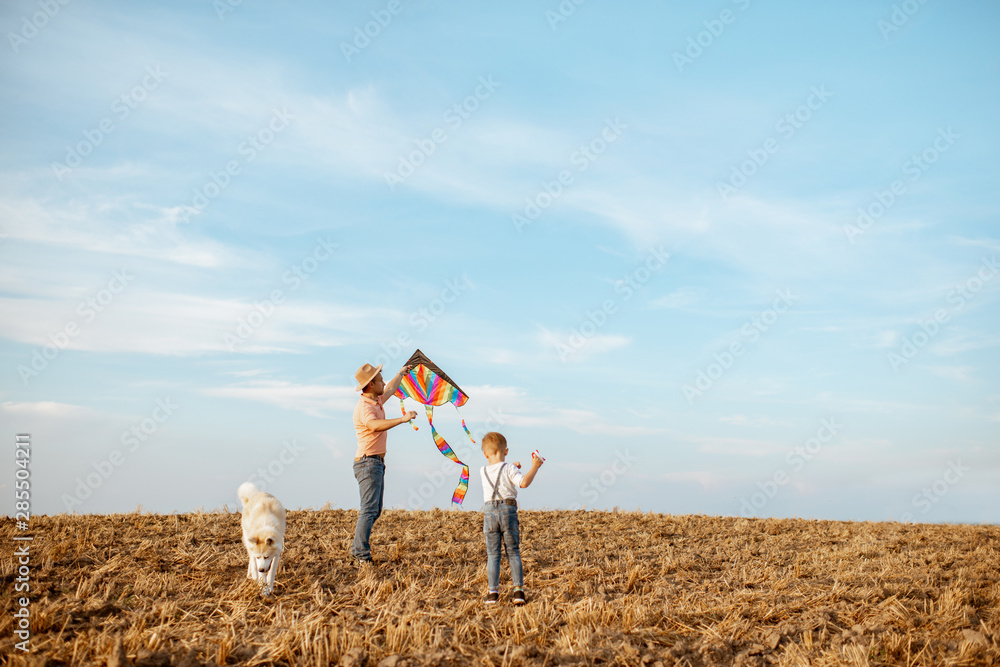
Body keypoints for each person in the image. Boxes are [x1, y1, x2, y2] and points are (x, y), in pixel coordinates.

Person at [350, 361, 416, 565]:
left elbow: (390, 389)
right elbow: (373, 425)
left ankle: (359, 549)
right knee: (369, 510)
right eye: (379, 380)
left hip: (375, 463)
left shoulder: (376, 400)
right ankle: (360, 554)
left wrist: (401, 373)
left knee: (374, 510)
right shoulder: (364, 407)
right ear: (370, 385)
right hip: (367, 462)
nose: (383, 382)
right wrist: (402, 420)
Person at [479, 431, 543, 605]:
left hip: (489, 512)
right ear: (506, 451)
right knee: (513, 552)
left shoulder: (482, 470)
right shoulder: (509, 468)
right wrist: (535, 467)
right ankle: (518, 592)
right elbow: (523, 483)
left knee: (493, 554)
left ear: (485, 454)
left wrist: (511, 466)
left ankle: (493, 593)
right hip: (508, 510)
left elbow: (497, 471)